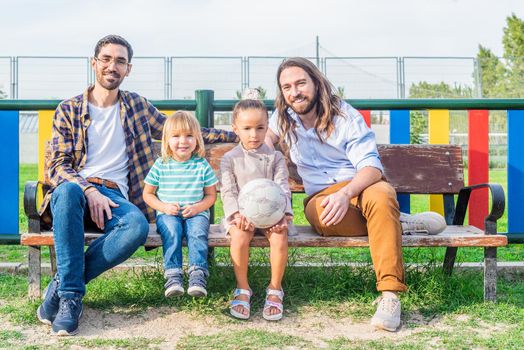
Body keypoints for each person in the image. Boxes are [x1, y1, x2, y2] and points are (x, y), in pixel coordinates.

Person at [36, 35, 237, 336]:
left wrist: (236, 135)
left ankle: (62, 285)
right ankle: (71, 298)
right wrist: (89, 191)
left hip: (116, 196)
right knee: (65, 191)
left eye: (120, 61)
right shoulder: (69, 109)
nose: (111, 66)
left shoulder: (137, 107)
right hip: (76, 193)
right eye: (106, 59)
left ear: (128, 69)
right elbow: (57, 166)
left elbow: (182, 130)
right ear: (94, 63)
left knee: (136, 228)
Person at [266, 57, 409, 331]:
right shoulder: (282, 118)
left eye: (300, 83)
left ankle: (390, 295)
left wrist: (346, 194)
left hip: (359, 186)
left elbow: (371, 167)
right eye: (287, 87)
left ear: (316, 83)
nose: (294, 92)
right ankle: (394, 223)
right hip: (321, 197)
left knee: (381, 197)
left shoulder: (345, 116)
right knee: (321, 215)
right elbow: (262, 142)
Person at [220, 90, 293, 321]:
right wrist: (235, 215)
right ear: (236, 129)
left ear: (267, 127)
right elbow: (228, 191)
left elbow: (283, 187)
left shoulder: (276, 157)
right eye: (247, 128)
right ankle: (243, 288)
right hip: (242, 216)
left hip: (272, 214)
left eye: (260, 128)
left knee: (280, 235)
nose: (254, 134)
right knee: (240, 236)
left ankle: (275, 289)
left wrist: (283, 215)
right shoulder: (230, 158)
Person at [143, 111, 217, 298]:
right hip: (168, 213)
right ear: (167, 140)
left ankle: (197, 274)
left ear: (197, 139)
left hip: (197, 213)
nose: (183, 141)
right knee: (172, 231)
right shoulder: (161, 165)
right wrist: (164, 207)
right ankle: (173, 274)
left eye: (189, 136)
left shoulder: (201, 165)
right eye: (176, 136)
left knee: (197, 232)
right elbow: (148, 194)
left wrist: (198, 208)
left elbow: (211, 196)